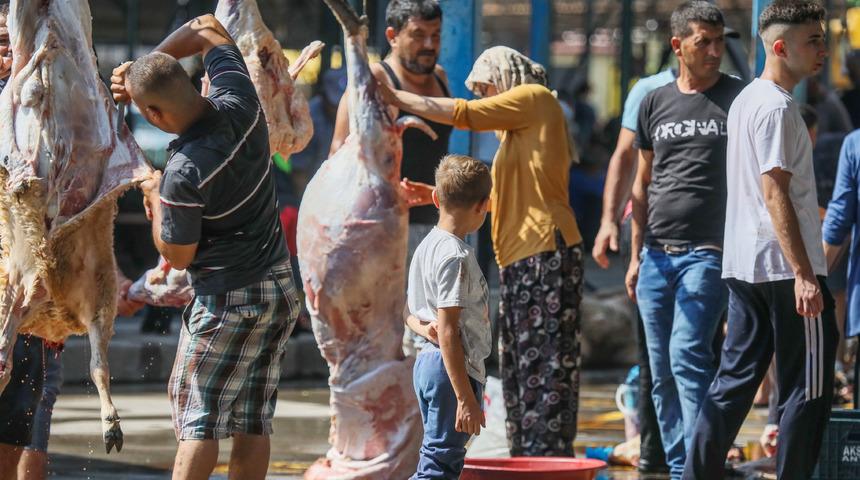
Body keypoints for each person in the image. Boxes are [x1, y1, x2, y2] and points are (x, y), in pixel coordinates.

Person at [111, 14, 300, 480]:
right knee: (253, 417)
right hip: (279, 287)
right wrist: (145, 68)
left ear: (155, 115)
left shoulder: (183, 173)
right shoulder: (241, 100)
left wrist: (154, 194)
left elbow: (177, 256)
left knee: (199, 419)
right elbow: (209, 27)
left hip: (226, 300)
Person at [383, 45, 584, 457]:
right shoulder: (521, 133)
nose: (485, 100)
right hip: (522, 257)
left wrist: (395, 96)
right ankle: (528, 452)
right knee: (521, 364)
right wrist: (439, 194)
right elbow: (496, 195)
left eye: (487, 90)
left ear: (505, 78)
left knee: (545, 364)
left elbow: (465, 114)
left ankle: (546, 455)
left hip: (545, 249)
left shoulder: (534, 98)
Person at [684, 3, 837, 478]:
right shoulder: (776, 107)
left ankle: (697, 473)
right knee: (807, 387)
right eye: (813, 40)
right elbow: (775, 193)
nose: (824, 50)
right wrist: (804, 274)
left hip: (746, 265)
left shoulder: (747, 99)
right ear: (781, 47)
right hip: (785, 270)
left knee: (734, 381)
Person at [624, 4, 745, 477]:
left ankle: (700, 466)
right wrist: (635, 255)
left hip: (709, 253)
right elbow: (642, 183)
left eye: (719, 41)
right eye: (703, 42)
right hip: (656, 255)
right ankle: (680, 467)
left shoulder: (737, 97)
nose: (715, 51)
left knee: (688, 355)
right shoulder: (654, 102)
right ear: (678, 46)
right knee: (660, 372)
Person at [405, 154, 492, 480]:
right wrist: (465, 398)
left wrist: (425, 329)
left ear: (435, 198)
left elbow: (407, 311)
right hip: (450, 369)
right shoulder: (455, 256)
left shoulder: (426, 246)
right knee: (440, 466)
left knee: (437, 457)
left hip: (428, 364)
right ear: (483, 206)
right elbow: (449, 332)